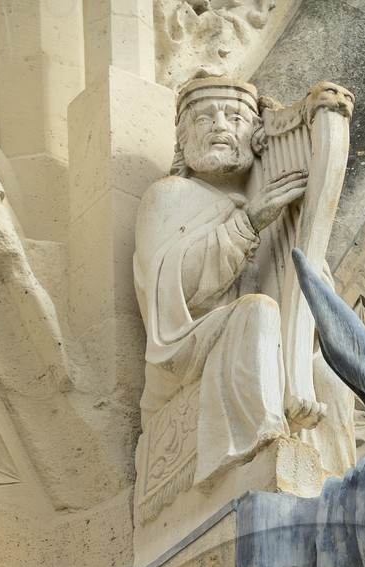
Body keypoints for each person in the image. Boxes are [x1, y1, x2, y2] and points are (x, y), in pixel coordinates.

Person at [133, 74, 352, 491]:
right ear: (183, 138)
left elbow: (305, 312)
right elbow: (176, 287)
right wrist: (249, 224)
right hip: (187, 349)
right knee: (258, 311)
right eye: (203, 118)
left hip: (249, 338)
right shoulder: (169, 195)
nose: (218, 125)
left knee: (327, 373)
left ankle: (337, 485)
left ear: (256, 136)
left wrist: (312, 272)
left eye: (234, 116)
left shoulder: (273, 209)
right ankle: (263, 444)